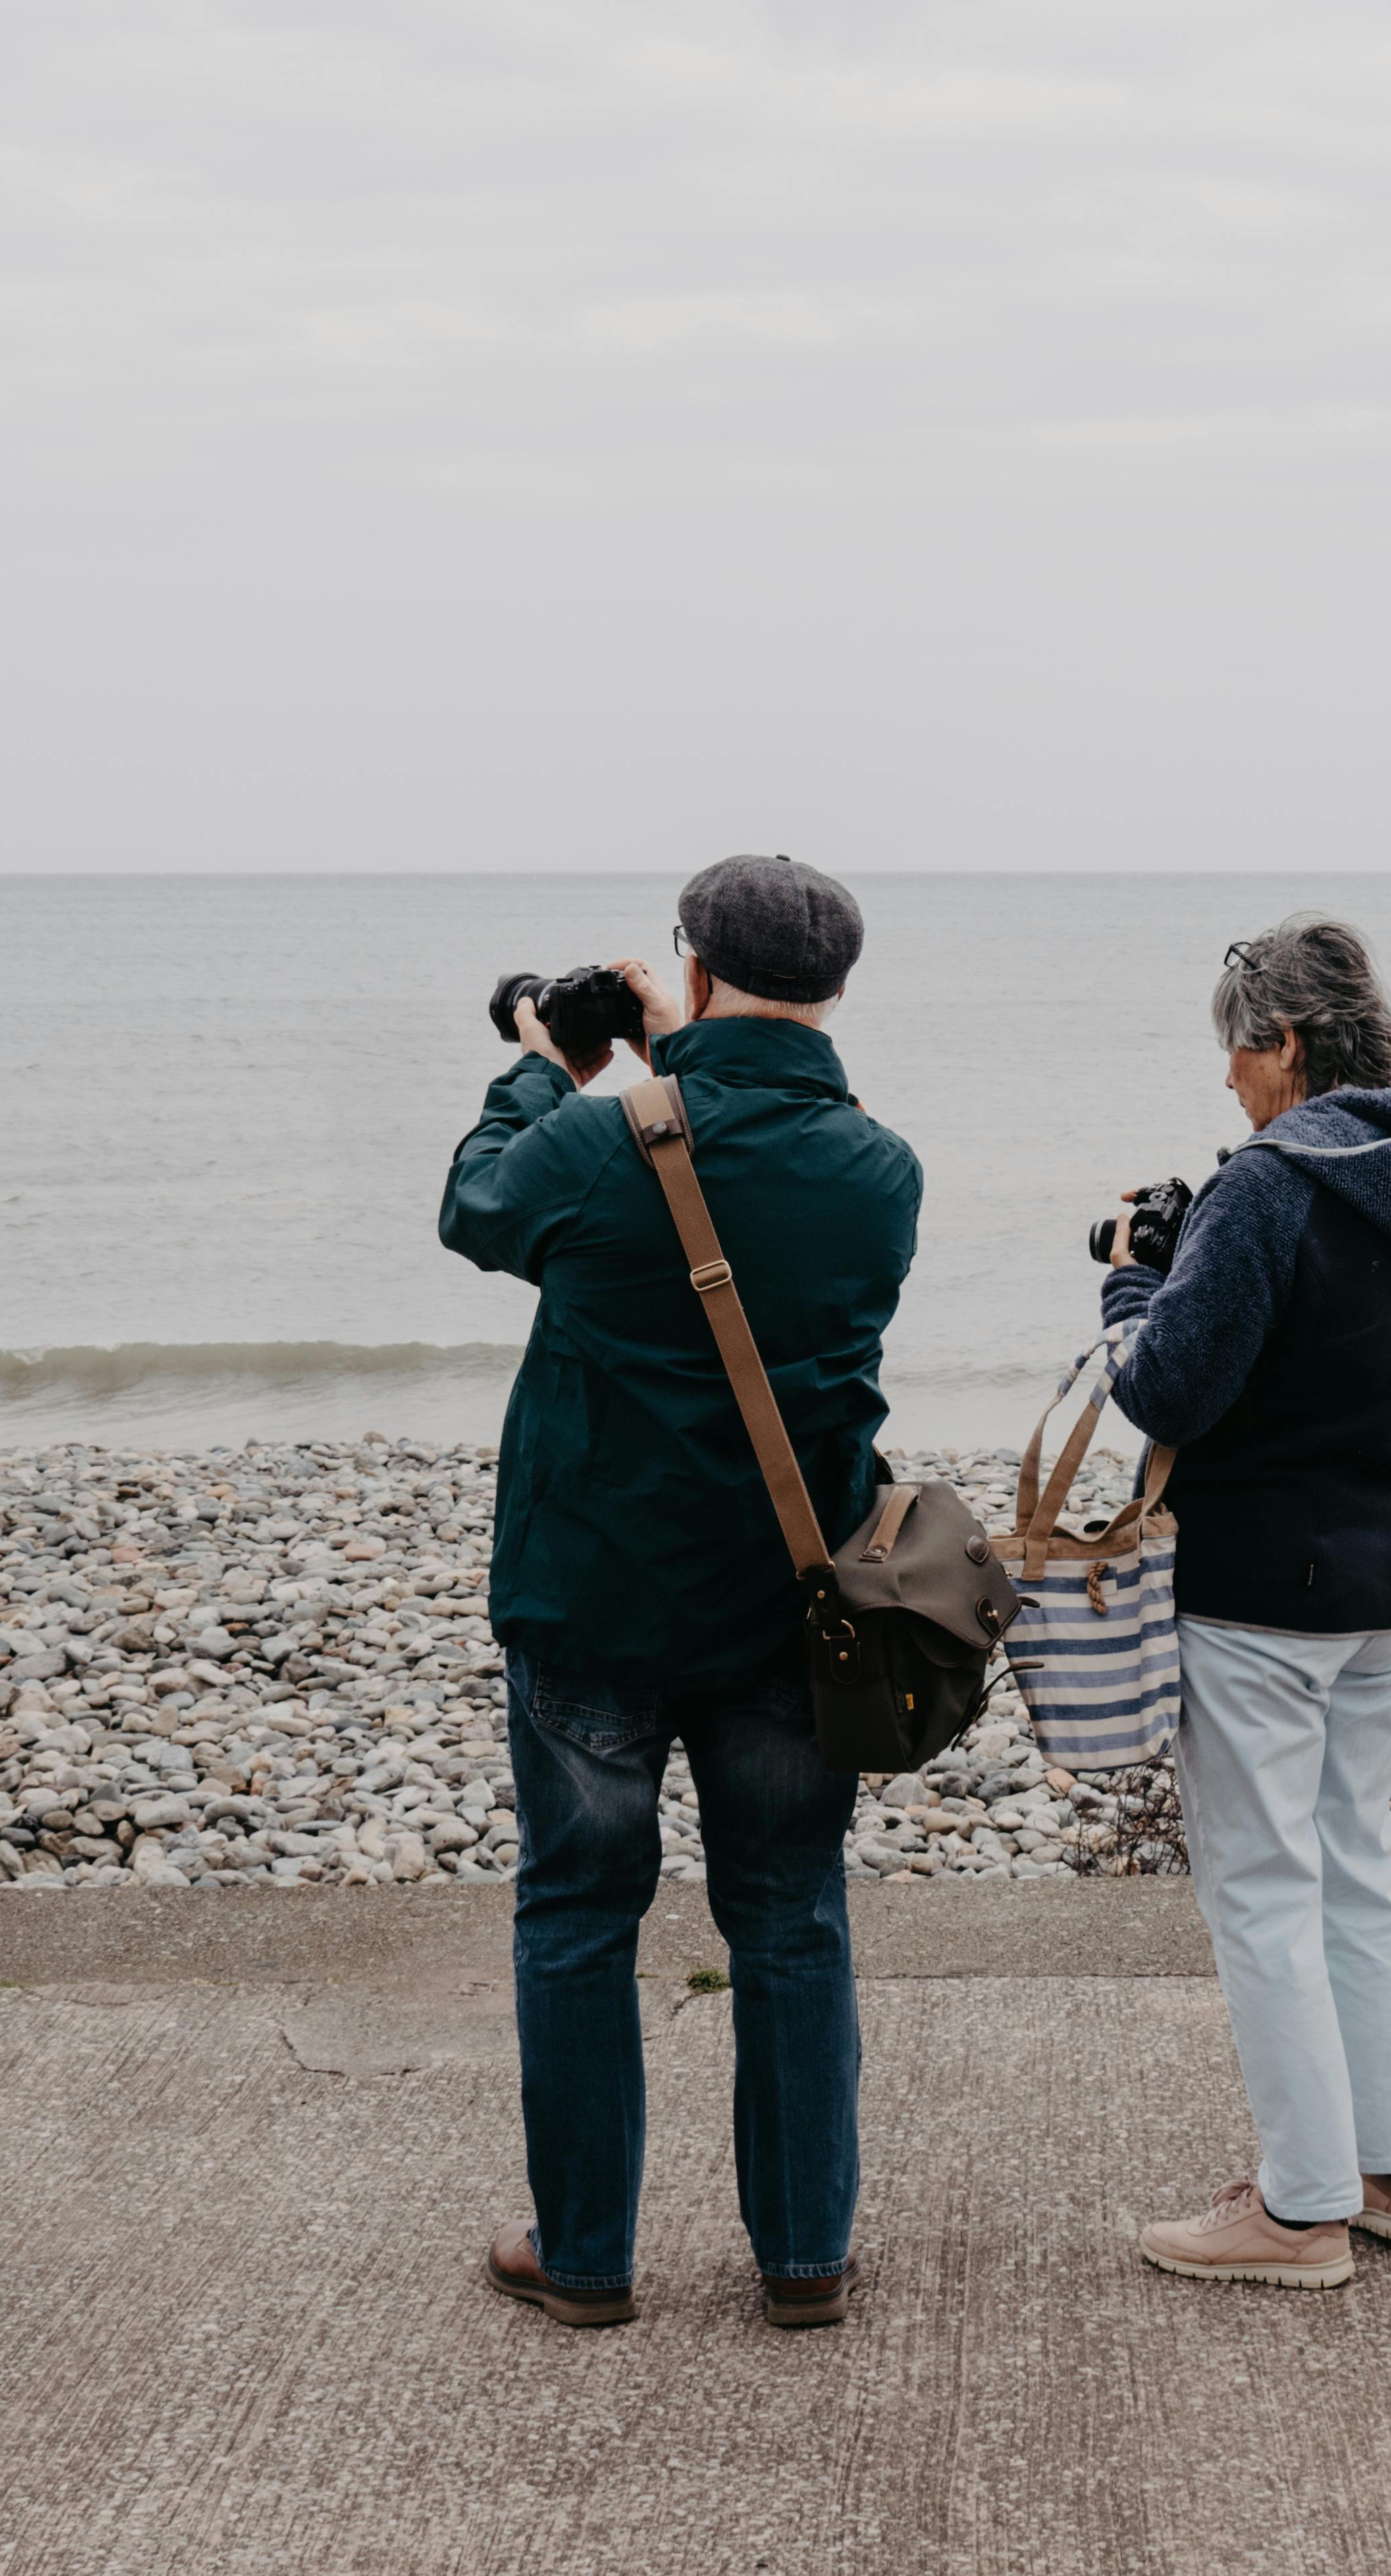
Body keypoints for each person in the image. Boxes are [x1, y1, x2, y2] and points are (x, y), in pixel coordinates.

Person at [437, 855, 915, 2332]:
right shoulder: (880, 1168)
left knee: (579, 1912)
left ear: (690, 972)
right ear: (837, 989)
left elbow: (477, 1210)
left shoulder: (594, 1144)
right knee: (788, 1913)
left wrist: (545, 1065)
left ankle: (585, 2256)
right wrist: (683, 1052)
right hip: (791, 1599)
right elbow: (763, 1155)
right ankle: (804, 2258)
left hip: (596, 1594)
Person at [1099, 915, 1391, 2290]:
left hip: (1261, 1580)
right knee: (1357, 1870)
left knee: (1264, 1887)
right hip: (1387, 1563)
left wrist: (1133, 1280)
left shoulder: (1267, 1187)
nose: (1226, 1082)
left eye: (1235, 1051)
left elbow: (1166, 1389)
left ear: (1288, 1045)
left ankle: (1298, 2209)